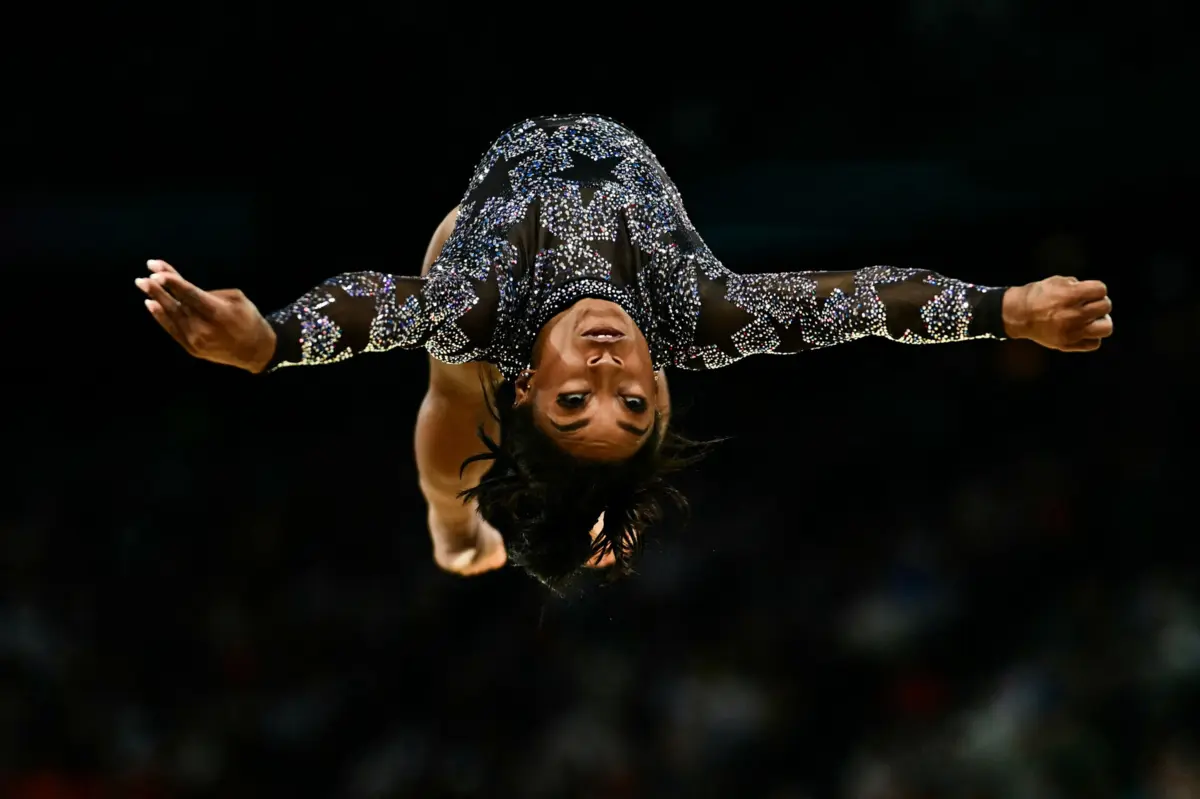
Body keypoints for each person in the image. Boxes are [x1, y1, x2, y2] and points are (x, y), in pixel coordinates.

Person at [135, 114, 1114, 590]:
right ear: (663, 390)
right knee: (559, 423)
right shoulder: (700, 318)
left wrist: (270, 341)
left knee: (442, 349)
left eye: (574, 405)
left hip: (472, 235)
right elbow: (861, 303)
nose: (607, 374)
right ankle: (586, 511)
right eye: (632, 406)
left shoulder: (483, 313)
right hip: (617, 205)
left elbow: (372, 307)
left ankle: (454, 521)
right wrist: (1006, 308)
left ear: (530, 389)